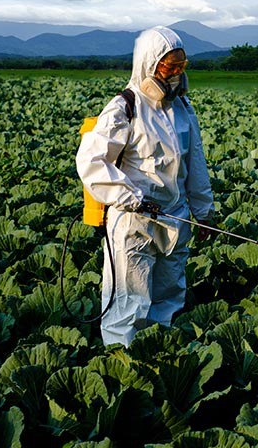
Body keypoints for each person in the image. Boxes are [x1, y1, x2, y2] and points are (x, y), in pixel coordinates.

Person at [76, 26, 215, 347]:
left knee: (168, 298)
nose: (177, 74)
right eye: (170, 66)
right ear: (150, 65)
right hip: (133, 221)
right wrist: (130, 197)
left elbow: (195, 163)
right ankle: (122, 366)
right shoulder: (124, 107)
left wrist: (204, 212)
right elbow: (92, 162)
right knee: (128, 304)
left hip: (174, 219)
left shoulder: (182, 108)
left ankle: (157, 359)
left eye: (182, 66)